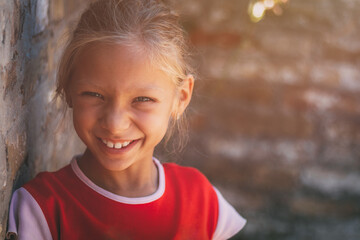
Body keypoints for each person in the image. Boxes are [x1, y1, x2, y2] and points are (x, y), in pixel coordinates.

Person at [6, 0, 246, 239]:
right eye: (95, 95)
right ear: (68, 89)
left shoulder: (202, 202)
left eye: (142, 99)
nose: (114, 123)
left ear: (180, 98)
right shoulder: (42, 209)